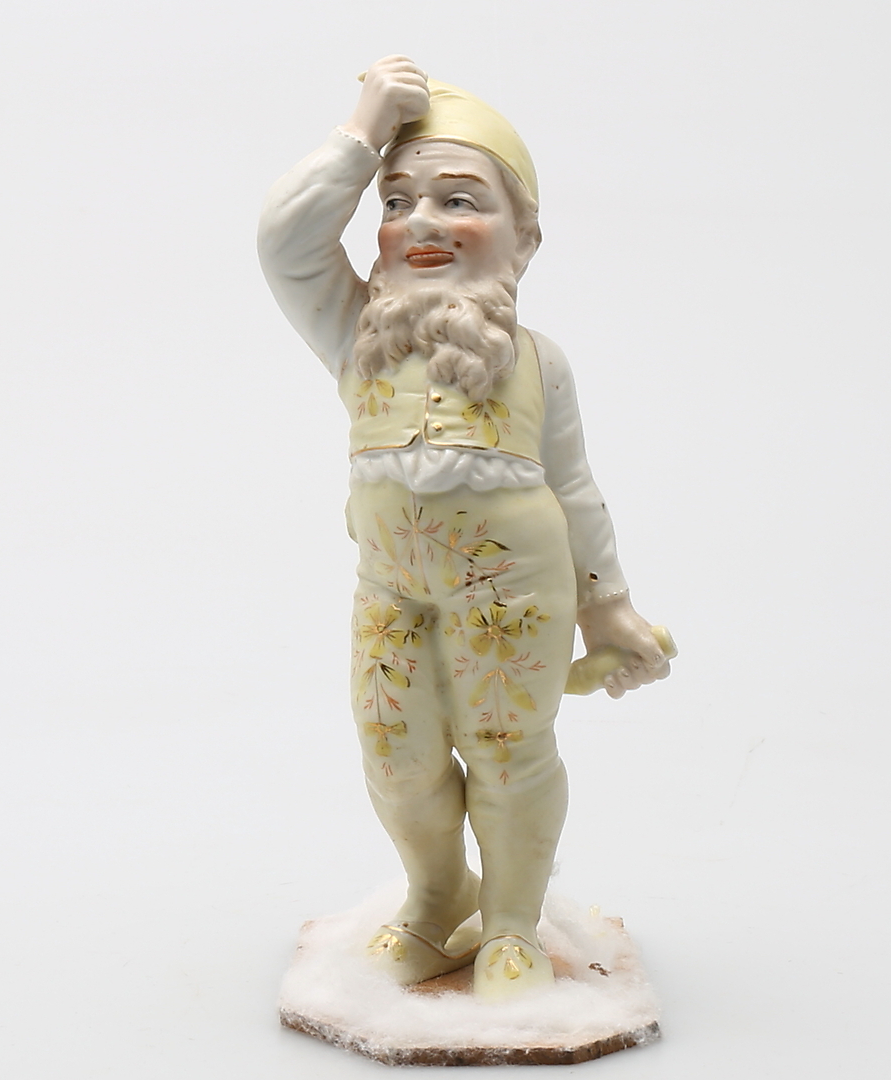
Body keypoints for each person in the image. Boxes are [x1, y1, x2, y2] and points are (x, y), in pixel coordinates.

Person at [258, 56, 672, 1000]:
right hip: (391, 585)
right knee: (393, 751)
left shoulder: (538, 362)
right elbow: (285, 242)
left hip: (512, 590)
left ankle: (513, 923)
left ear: (523, 237)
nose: (422, 224)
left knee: (508, 750)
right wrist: (362, 136)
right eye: (397, 202)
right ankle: (438, 895)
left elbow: (574, 487)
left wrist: (608, 607)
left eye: (458, 200)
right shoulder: (356, 331)